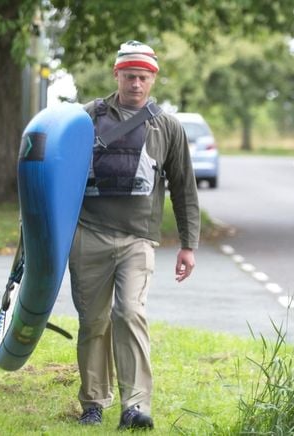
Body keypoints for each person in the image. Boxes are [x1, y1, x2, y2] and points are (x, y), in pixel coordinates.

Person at [69, 40, 200, 430]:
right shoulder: (86, 118)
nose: (136, 84)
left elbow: (184, 187)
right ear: (117, 75)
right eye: (129, 76)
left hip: (137, 240)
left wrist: (188, 245)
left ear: (153, 78)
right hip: (88, 234)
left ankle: (136, 405)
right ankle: (93, 402)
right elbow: (57, 172)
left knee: (129, 312)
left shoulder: (167, 127)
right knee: (93, 321)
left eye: (143, 77)